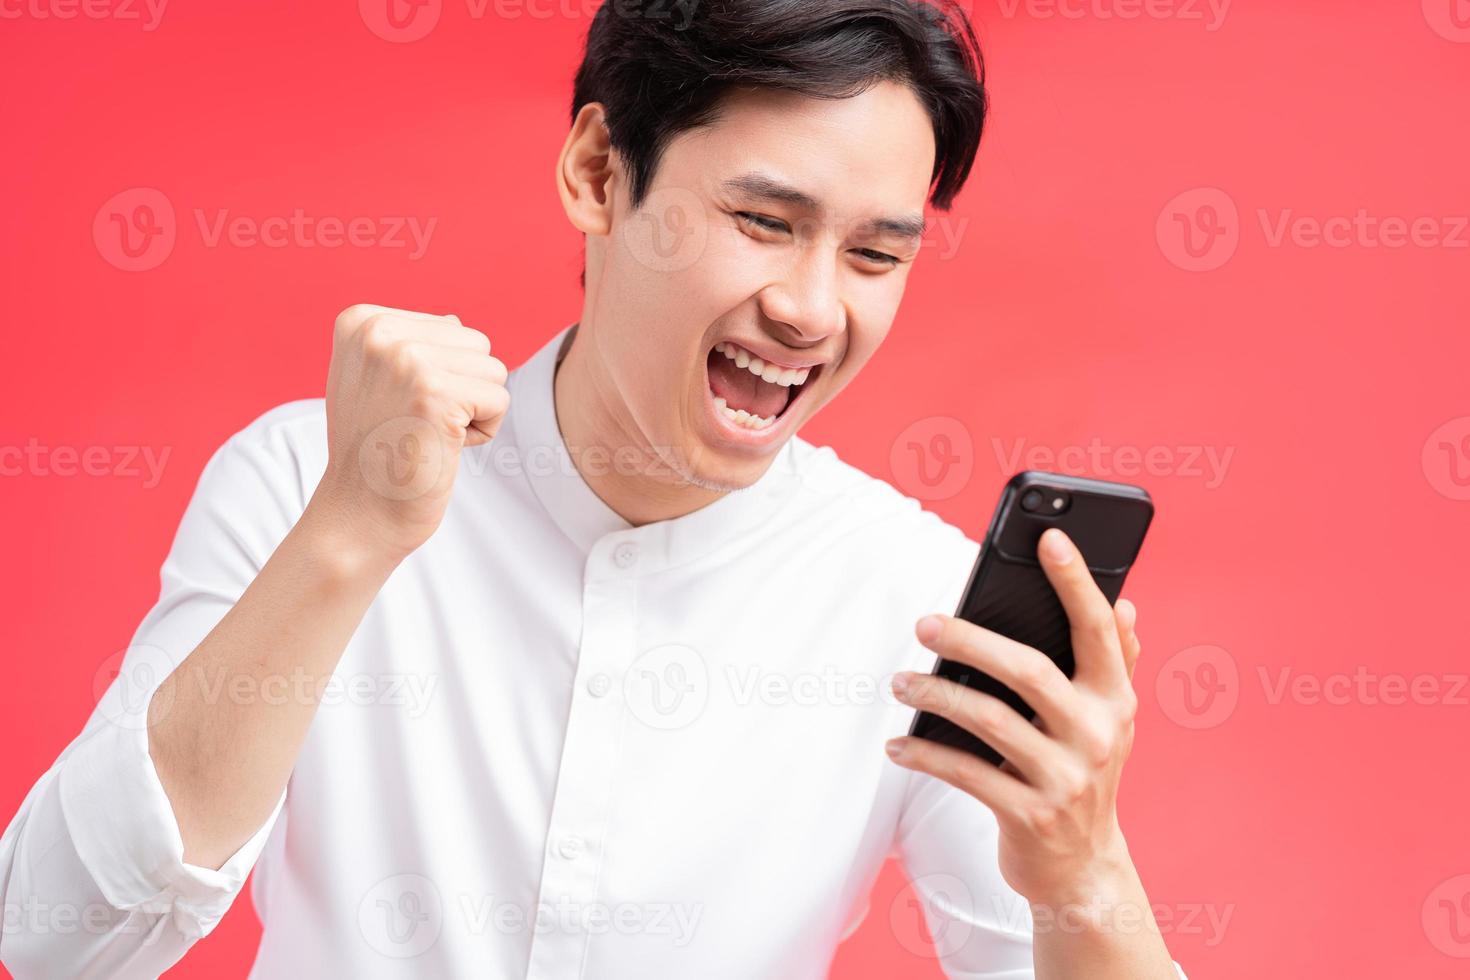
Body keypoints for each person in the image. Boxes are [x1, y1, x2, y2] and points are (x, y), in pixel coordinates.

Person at [1, 1, 1188, 976]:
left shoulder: (918, 599)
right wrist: (349, 539)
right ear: (595, 171)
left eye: (875, 254)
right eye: (762, 220)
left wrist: (1085, 868)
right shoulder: (302, 481)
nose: (815, 309)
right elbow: (51, 940)